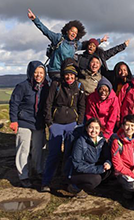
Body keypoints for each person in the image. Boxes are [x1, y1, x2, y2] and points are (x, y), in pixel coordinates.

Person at [41, 58, 86, 192]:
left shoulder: (79, 86)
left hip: (72, 124)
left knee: (69, 153)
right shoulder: (56, 85)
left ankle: (67, 180)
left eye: (72, 74)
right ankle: (46, 182)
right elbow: (48, 103)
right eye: (67, 74)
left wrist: (79, 122)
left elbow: (82, 106)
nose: (69, 77)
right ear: (63, 74)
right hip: (56, 123)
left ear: (75, 75)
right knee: (53, 154)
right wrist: (49, 122)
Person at [27, 8, 107, 80]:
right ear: (67, 31)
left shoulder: (76, 44)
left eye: (75, 33)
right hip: (55, 71)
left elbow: (89, 45)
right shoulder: (58, 38)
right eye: (72, 31)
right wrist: (35, 19)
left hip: (67, 71)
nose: (73, 34)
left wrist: (100, 41)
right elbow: (46, 31)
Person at [9, 61, 49, 188]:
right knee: (23, 149)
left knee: (39, 149)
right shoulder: (23, 86)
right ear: (31, 73)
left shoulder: (46, 87)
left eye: (41, 73)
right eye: (36, 72)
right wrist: (14, 120)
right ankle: (23, 175)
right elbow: (14, 103)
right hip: (24, 121)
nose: (38, 75)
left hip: (39, 123)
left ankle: (38, 170)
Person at [67, 117, 112, 198]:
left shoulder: (102, 141)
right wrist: (98, 169)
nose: (94, 130)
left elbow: (107, 156)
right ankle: (75, 187)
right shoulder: (80, 142)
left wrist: (107, 163)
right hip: (78, 172)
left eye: (96, 128)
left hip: (92, 168)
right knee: (96, 179)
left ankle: (94, 187)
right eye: (91, 127)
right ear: (86, 128)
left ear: (100, 130)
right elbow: (77, 165)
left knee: (109, 170)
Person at [111, 114, 134, 199]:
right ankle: (127, 189)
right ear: (122, 126)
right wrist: (132, 175)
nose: (129, 128)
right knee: (133, 187)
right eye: (127, 125)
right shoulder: (117, 142)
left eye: (132, 125)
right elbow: (117, 165)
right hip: (124, 172)